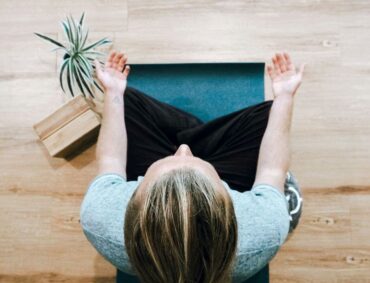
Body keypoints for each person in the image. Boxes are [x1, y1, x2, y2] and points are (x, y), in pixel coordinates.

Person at [80, 50, 305, 283]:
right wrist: (285, 96)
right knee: (267, 115)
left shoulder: (100, 217)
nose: (184, 149)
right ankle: (200, 134)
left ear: (132, 201)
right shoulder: (263, 230)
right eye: (196, 161)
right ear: (230, 203)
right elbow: (272, 171)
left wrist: (113, 92)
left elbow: (111, 161)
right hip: (232, 179)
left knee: (126, 101)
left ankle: (191, 131)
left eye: (174, 157)